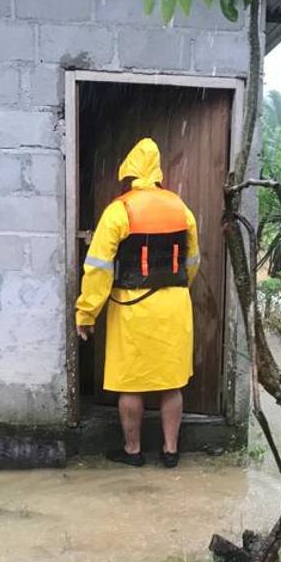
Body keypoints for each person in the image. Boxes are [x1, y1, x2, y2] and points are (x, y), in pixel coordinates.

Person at [75, 138, 200, 468]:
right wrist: (175, 289)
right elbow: (193, 261)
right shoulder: (180, 207)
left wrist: (87, 312)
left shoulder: (120, 210)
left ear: (128, 172)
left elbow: (98, 267)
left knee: (131, 383)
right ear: (158, 173)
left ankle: (133, 451)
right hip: (174, 305)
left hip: (132, 307)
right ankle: (170, 450)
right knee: (170, 383)